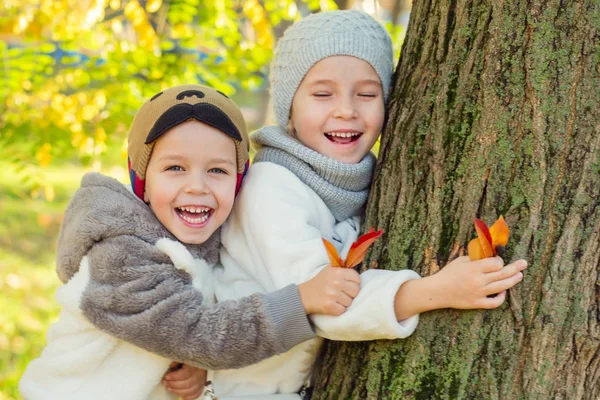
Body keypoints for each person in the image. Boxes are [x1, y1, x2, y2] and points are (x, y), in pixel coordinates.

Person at [208, 10, 528, 399]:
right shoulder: (270, 187)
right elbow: (322, 299)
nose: (346, 109)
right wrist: (437, 291)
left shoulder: (355, 181)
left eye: (367, 94)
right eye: (323, 94)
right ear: (289, 108)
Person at [19, 84, 362, 400]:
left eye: (217, 171)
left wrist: (196, 365)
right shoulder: (120, 252)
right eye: (175, 168)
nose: (197, 186)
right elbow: (198, 332)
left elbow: (183, 334)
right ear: (142, 181)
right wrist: (300, 301)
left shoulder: (199, 239)